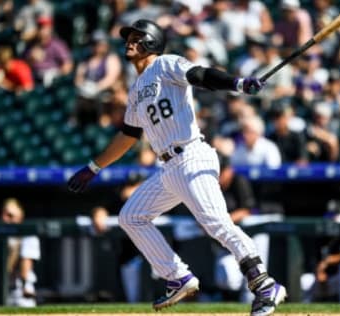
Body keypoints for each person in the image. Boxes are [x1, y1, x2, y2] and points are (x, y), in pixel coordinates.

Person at [68, 19, 287, 316]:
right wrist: (94, 167)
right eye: (128, 37)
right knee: (131, 216)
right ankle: (178, 277)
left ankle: (264, 284)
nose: (129, 42)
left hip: (191, 154)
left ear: (152, 41)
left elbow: (199, 74)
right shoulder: (135, 89)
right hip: (169, 167)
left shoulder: (165, 64)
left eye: (136, 37)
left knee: (216, 222)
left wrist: (236, 83)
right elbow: (128, 136)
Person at [213, 152, 271, 303]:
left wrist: (224, 220)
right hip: (228, 241)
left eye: (221, 172)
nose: (218, 177)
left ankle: (258, 304)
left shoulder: (239, 181)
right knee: (226, 277)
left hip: (252, 236)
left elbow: (248, 209)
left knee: (253, 280)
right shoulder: (212, 187)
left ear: (229, 170)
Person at [73, 30, 122, 126]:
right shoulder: (86, 61)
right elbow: (78, 79)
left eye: (100, 43)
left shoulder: (111, 58)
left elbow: (111, 78)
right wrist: (84, 87)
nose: (98, 47)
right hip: (87, 97)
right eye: (95, 44)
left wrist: (96, 87)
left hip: (105, 97)